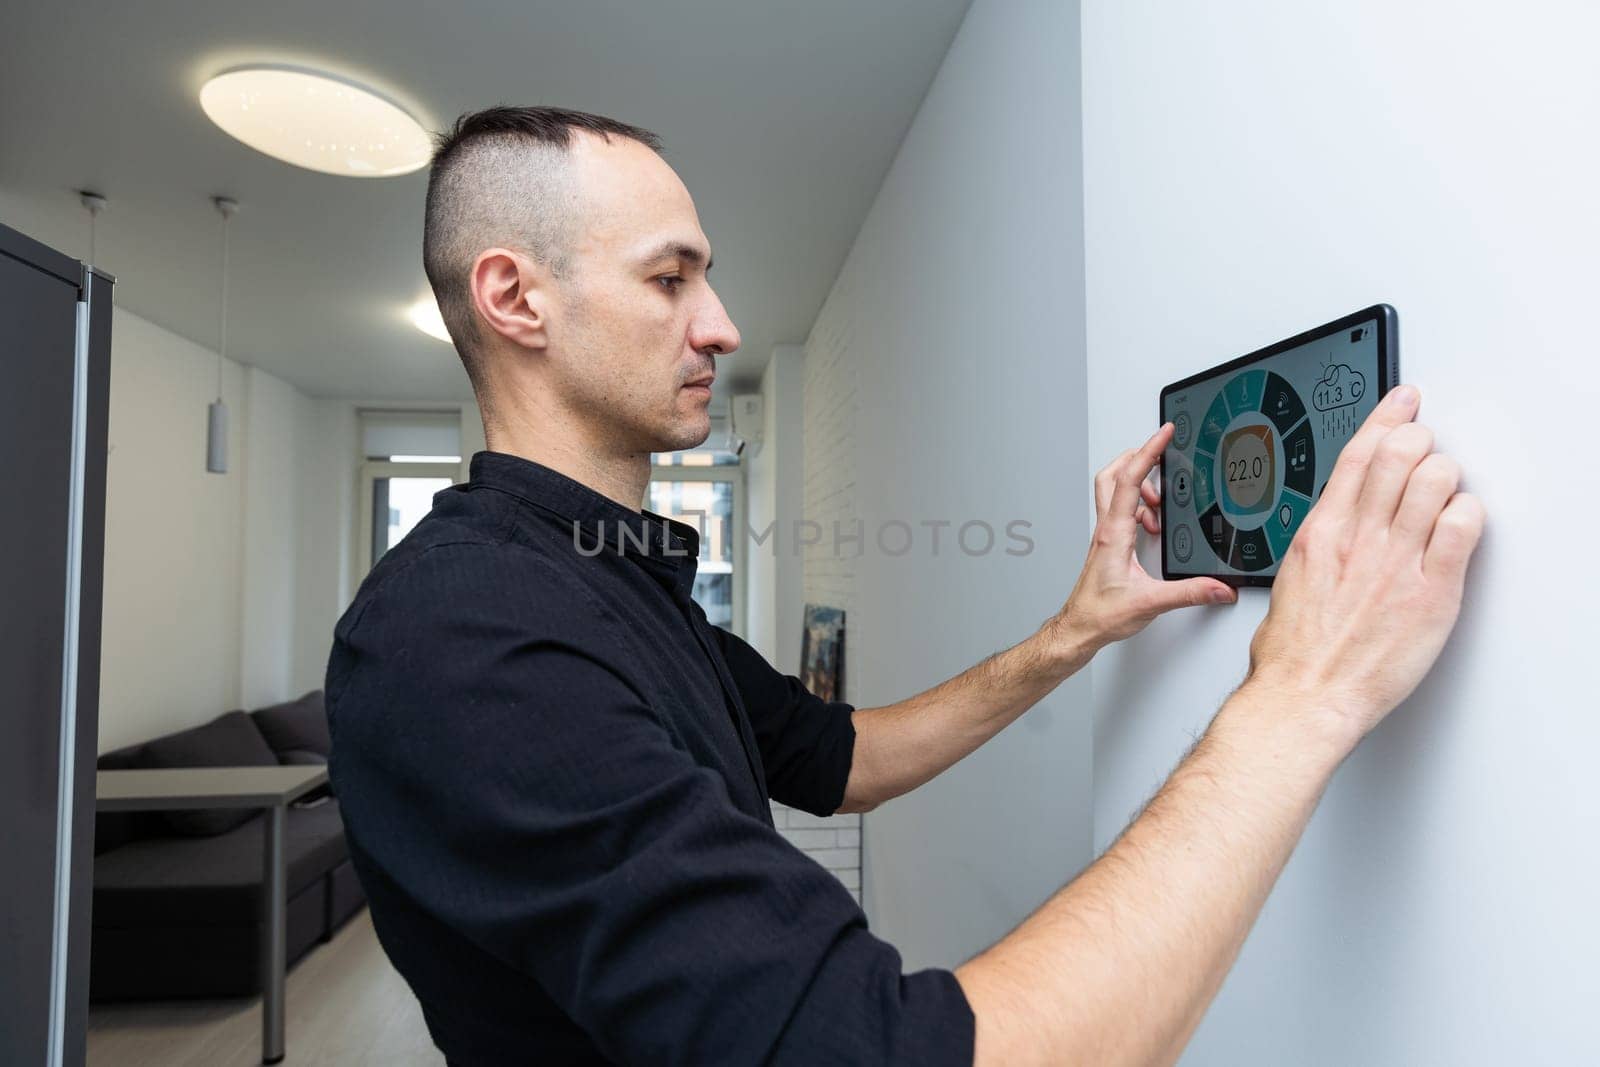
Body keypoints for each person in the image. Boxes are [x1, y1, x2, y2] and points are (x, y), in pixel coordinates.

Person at [325, 106, 1484, 1066]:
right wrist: (1303, 694)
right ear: (515, 298)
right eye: (669, 277)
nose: (719, 326)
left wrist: (1068, 636)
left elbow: (842, 758)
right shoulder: (458, 631)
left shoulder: (612, 579)